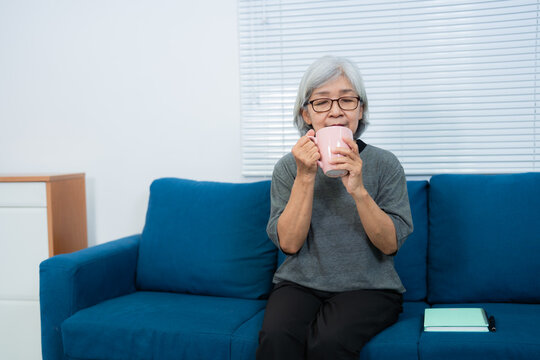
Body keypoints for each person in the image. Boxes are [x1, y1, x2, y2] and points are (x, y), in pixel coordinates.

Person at [256, 55, 414, 360]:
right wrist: (305, 176)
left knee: (327, 343)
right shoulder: (289, 168)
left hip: (371, 288)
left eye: (347, 100)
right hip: (299, 283)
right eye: (322, 102)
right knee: (276, 339)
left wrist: (358, 190)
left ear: (361, 109)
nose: (336, 112)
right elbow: (289, 244)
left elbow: (391, 244)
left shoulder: (385, 164)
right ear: (306, 114)